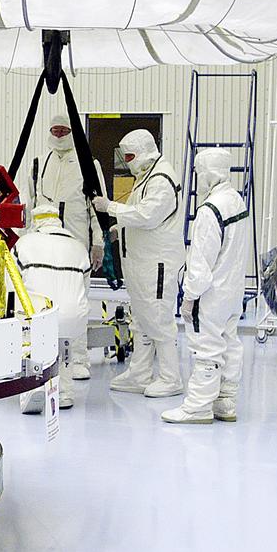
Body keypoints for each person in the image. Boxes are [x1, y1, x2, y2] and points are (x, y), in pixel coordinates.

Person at [91, 129, 184, 398]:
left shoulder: (162, 178)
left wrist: (111, 208)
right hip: (141, 263)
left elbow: (147, 215)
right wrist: (119, 228)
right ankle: (140, 373)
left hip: (157, 264)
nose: (128, 161)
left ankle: (170, 377)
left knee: (158, 318)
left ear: (145, 151)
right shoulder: (147, 176)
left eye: (131, 155)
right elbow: (141, 215)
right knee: (142, 321)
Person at [162, 148, 247, 424]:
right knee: (230, 342)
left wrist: (189, 296)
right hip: (233, 292)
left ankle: (197, 407)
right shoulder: (236, 201)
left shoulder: (210, 210)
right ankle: (226, 400)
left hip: (210, 296)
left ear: (207, 173)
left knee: (206, 349)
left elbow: (200, 260)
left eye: (199, 173)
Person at [29, 109, 106, 381]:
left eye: (64, 130)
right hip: (45, 244)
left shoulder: (88, 164)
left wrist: (98, 243)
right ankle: (47, 357)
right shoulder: (40, 163)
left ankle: (78, 359)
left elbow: (98, 208)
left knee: (78, 301)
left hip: (76, 242)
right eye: (55, 130)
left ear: (73, 133)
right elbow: (33, 205)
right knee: (44, 300)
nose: (59, 134)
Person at [12, 210, 91, 411]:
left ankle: (32, 390)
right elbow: (85, 286)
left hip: (39, 314)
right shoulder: (79, 246)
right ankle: (64, 394)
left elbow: (12, 284)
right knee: (64, 346)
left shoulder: (24, 243)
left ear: (36, 222)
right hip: (74, 316)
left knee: (30, 342)